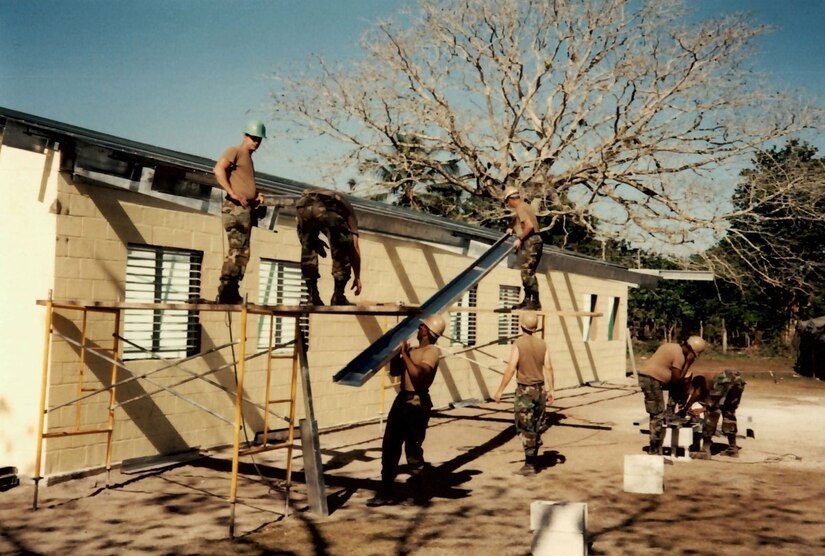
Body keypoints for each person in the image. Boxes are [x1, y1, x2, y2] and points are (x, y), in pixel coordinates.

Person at [367, 314, 445, 507]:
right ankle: (385, 492)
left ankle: (419, 495)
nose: (418, 329)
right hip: (403, 399)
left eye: (421, 327)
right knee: (390, 446)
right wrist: (397, 355)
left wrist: (405, 356)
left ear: (427, 331)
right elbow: (395, 372)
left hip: (417, 402)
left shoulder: (432, 352)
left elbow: (418, 376)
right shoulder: (415, 350)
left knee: (412, 449)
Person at [493, 311, 555, 475]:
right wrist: (552, 389)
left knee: (525, 427)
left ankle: (530, 465)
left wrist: (500, 390)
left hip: (525, 391)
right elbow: (548, 367)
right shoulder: (543, 344)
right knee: (536, 424)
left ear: (521, 325)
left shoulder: (518, 344)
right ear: (535, 327)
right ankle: (534, 451)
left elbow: (511, 368)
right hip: (540, 390)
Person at [213, 120, 267, 304]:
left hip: (245, 209)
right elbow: (218, 169)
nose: (256, 142)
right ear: (245, 136)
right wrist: (232, 193)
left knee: (243, 252)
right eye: (253, 138)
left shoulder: (248, 157)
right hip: (235, 209)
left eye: (259, 139)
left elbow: (243, 183)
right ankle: (226, 291)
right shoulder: (235, 151)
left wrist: (254, 195)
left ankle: (231, 291)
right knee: (237, 250)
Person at [637, 335, 707, 455]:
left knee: (676, 389)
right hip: (651, 380)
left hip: (650, 378)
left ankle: (670, 411)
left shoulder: (672, 347)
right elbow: (676, 379)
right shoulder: (679, 356)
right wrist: (688, 363)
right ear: (690, 351)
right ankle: (654, 450)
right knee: (657, 414)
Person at [295, 188, 361, 305]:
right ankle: (338, 296)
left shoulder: (311, 197)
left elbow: (300, 227)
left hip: (302, 207)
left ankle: (312, 296)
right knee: (342, 248)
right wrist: (357, 277)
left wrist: (313, 241)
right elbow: (353, 247)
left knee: (307, 248)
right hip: (326, 207)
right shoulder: (350, 214)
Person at [679, 369, 746, 460]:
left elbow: (697, 394)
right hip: (738, 380)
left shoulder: (698, 379)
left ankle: (705, 451)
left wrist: (686, 409)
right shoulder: (706, 378)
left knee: (711, 414)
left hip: (723, 379)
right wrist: (704, 408)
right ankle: (732, 448)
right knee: (729, 411)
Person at [503, 186, 543, 310]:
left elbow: (529, 226)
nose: (507, 204)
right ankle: (527, 301)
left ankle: (535, 302)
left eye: (507, 201)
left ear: (510, 199)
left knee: (527, 273)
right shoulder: (524, 206)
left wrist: (520, 238)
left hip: (531, 241)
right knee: (526, 272)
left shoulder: (520, 208)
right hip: (532, 241)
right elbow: (519, 220)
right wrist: (511, 226)